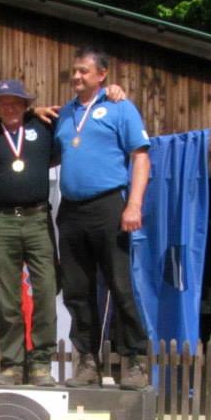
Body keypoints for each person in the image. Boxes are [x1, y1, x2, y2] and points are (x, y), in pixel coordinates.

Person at [51, 47, 152, 390]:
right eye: (74, 71)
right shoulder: (65, 113)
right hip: (71, 210)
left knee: (120, 286)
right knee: (76, 291)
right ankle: (87, 361)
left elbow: (140, 158)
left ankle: (134, 360)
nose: (76, 77)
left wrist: (134, 204)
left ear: (102, 75)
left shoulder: (120, 107)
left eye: (83, 71)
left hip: (109, 205)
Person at [0, 80, 58, 387]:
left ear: (26, 105)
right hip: (1, 221)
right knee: (6, 296)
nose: (10, 108)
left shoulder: (45, 126)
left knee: (46, 290)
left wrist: (113, 94)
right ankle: (12, 363)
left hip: (37, 218)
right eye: (3, 103)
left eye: (16, 102)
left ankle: (40, 363)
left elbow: (77, 126)